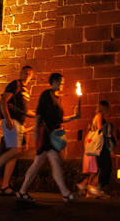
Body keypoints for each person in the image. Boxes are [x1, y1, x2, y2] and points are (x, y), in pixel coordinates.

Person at [16, 72, 80, 204]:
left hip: (52, 135)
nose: (62, 84)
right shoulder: (46, 94)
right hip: (45, 134)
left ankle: (23, 192)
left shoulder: (57, 99)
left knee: (44, 163)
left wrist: (74, 116)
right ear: (54, 81)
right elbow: (39, 113)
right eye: (61, 81)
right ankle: (65, 194)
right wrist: (35, 132)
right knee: (45, 163)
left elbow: (59, 119)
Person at [0, 66, 35, 195]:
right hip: (12, 122)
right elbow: (3, 101)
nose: (26, 75)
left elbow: (26, 111)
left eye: (29, 73)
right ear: (21, 73)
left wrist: (39, 115)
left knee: (15, 154)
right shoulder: (15, 84)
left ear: (32, 76)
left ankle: (5, 186)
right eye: (25, 72)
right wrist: (8, 118)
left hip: (19, 123)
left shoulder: (25, 90)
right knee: (15, 150)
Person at [78, 100, 105, 197]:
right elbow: (99, 128)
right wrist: (103, 134)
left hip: (90, 145)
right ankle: (89, 189)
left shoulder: (94, 117)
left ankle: (84, 187)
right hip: (94, 146)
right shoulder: (99, 115)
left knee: (93, 170)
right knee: (95, 170)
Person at [96, 100, 115, 196]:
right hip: (102, 145)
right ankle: (99, 189)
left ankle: (99, 189)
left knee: (104, 167)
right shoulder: (99, 115)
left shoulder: (99, 116)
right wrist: (107, 127)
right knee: (106, 167)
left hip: (101, 145)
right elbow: (100, 129)